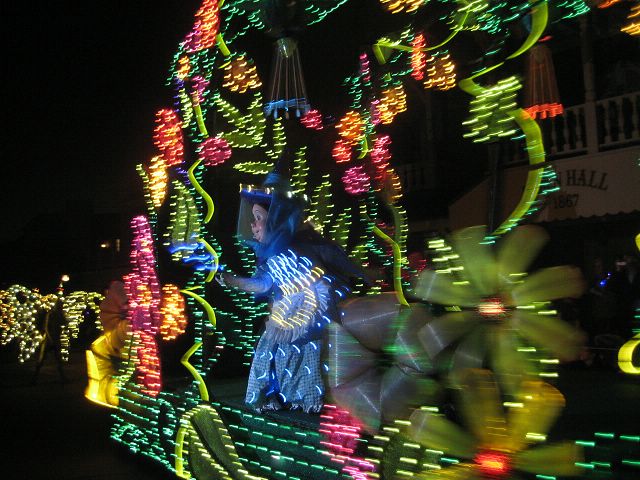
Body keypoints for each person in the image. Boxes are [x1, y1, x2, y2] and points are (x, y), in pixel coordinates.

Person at [215, 166, 367, 413]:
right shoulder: (268, 257)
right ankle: (272, 395)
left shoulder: (302, 247)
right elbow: (264, 284)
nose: (253, 225)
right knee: (269, 350)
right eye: (253, 218)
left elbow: (321, 270)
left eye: (259, 217)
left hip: (310, 304)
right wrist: (233, 281)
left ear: (276, 218)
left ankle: (308, 398)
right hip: (285, 307)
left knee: (308, 350)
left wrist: (302, 288)